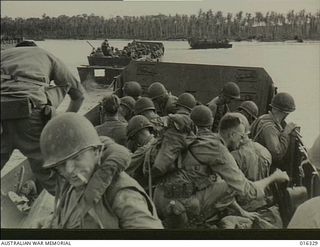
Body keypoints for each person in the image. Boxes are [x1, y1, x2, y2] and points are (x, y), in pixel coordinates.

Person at [40, 113, 163, 229]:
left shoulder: (121, 194)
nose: (69, 169)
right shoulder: (72, 186)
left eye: (76, 158)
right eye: (61, 164)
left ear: (96, 152)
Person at [1, 44, 85, 195]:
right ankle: (74, 210)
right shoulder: (46, 55)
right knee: (50, 173)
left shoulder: (4, 55)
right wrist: (61, 124)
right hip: (31, 117)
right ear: (34, 47)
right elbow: (79, 94)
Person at [250, 92, 298, 170]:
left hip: (254, 159)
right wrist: (285, 133)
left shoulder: (262, 118)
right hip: (260, 166)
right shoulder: (270, 128)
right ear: (286, 113)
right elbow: (277, 155)